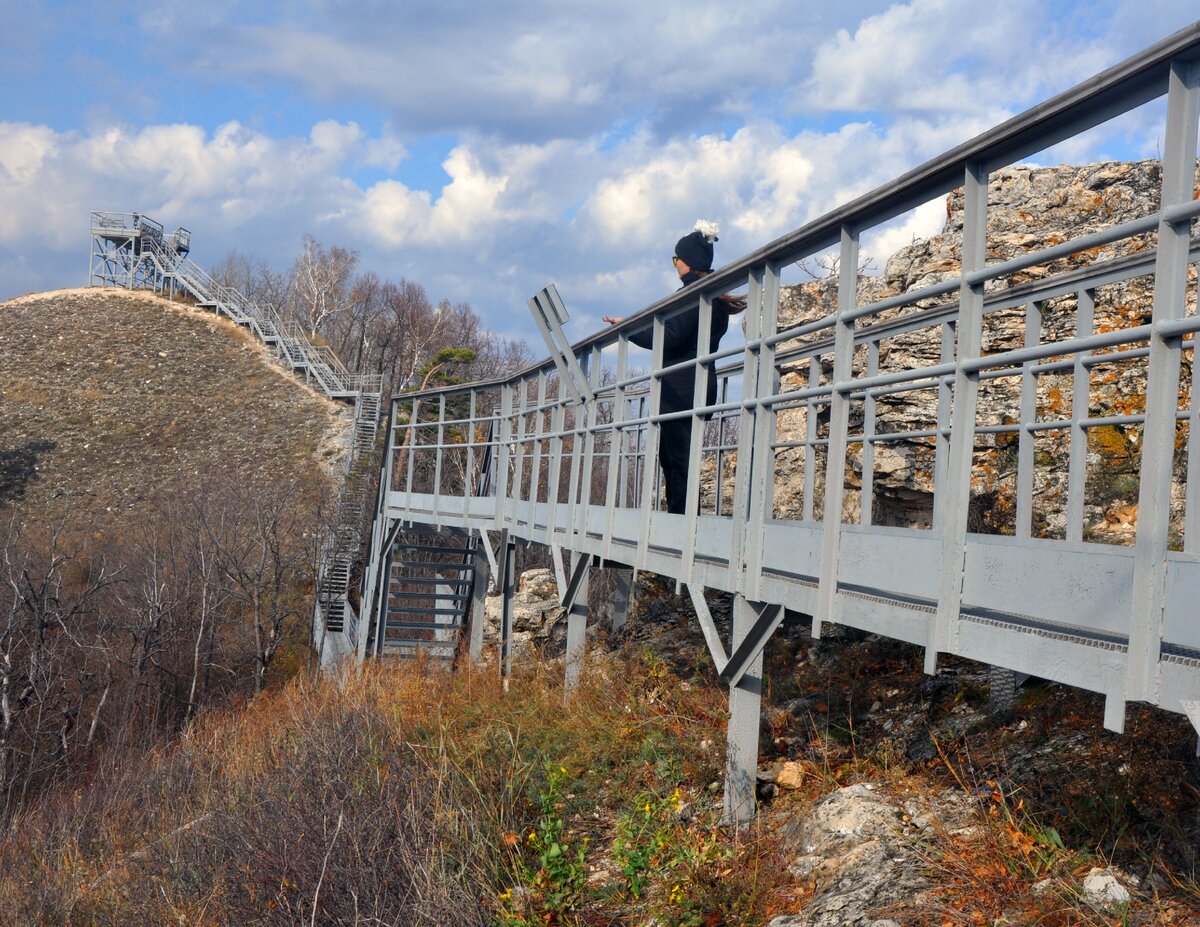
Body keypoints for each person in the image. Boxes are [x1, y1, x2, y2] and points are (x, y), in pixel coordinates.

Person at [603, 221, 744, 515]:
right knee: (676, 459)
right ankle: (679, 520)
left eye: (675, 259)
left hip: (681, 391)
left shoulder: (694, 295)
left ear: (686, 262)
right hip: (696, 387)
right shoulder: (710, 294)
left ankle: (681, 525)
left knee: (678, 461)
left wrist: (628, 329)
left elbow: (670, 337)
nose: (674, 264)